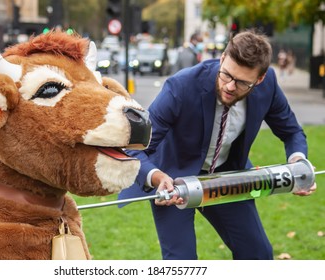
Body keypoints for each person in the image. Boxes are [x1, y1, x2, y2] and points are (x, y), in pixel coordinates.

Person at [119, 30, 316, 260]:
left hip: (226, 175)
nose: (230, 87)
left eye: (242, 82)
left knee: (258, 255)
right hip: (173, 178)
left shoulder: (268, 84)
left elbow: (291, 131)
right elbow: (135, 147)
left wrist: (298, 163)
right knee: (181, 264)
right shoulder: (181, 86)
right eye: (226, 75)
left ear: (259, 79)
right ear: (222, 58)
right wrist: (157, 177)